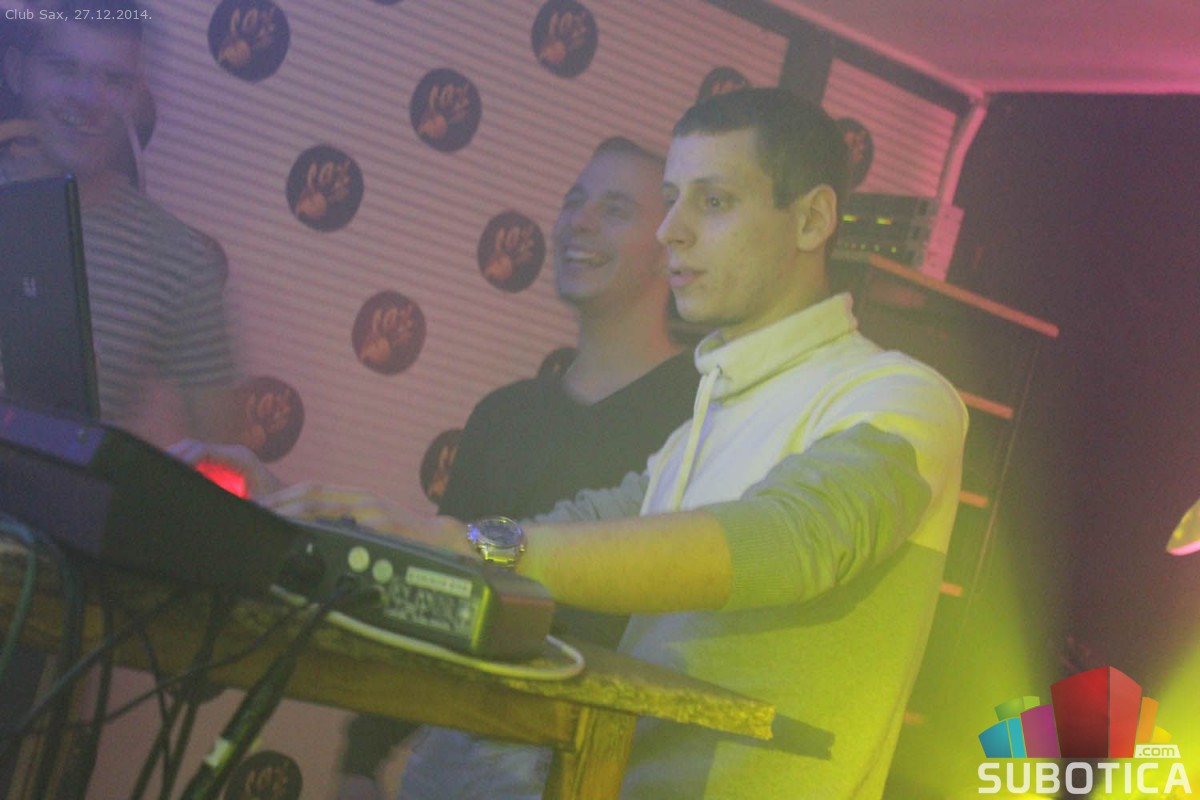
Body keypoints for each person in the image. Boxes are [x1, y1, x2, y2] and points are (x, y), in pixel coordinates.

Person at [193, 87, 967, 799]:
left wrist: (474, 544)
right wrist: (369, 530)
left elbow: (788, 538)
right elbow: (585, 522)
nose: (671, 230)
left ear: (812, 219)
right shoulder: (715, 410)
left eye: (715, 201)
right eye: (671, 200)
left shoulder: (901, 398)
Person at [335, 136, 700, 799]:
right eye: (574, 201)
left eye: (615, 209)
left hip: (608, 762)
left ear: (669, 247)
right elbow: (441, 592)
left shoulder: (702, 415)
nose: (580, 222)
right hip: (457, 751)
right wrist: (362, 757)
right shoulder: (504, 415)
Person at [0, 0, 236, 444]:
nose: (88, 97)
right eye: (63, 67)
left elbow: (224, 461)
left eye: (114, 79)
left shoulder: (181, 262)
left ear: (137, 98)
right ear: (16, 72)